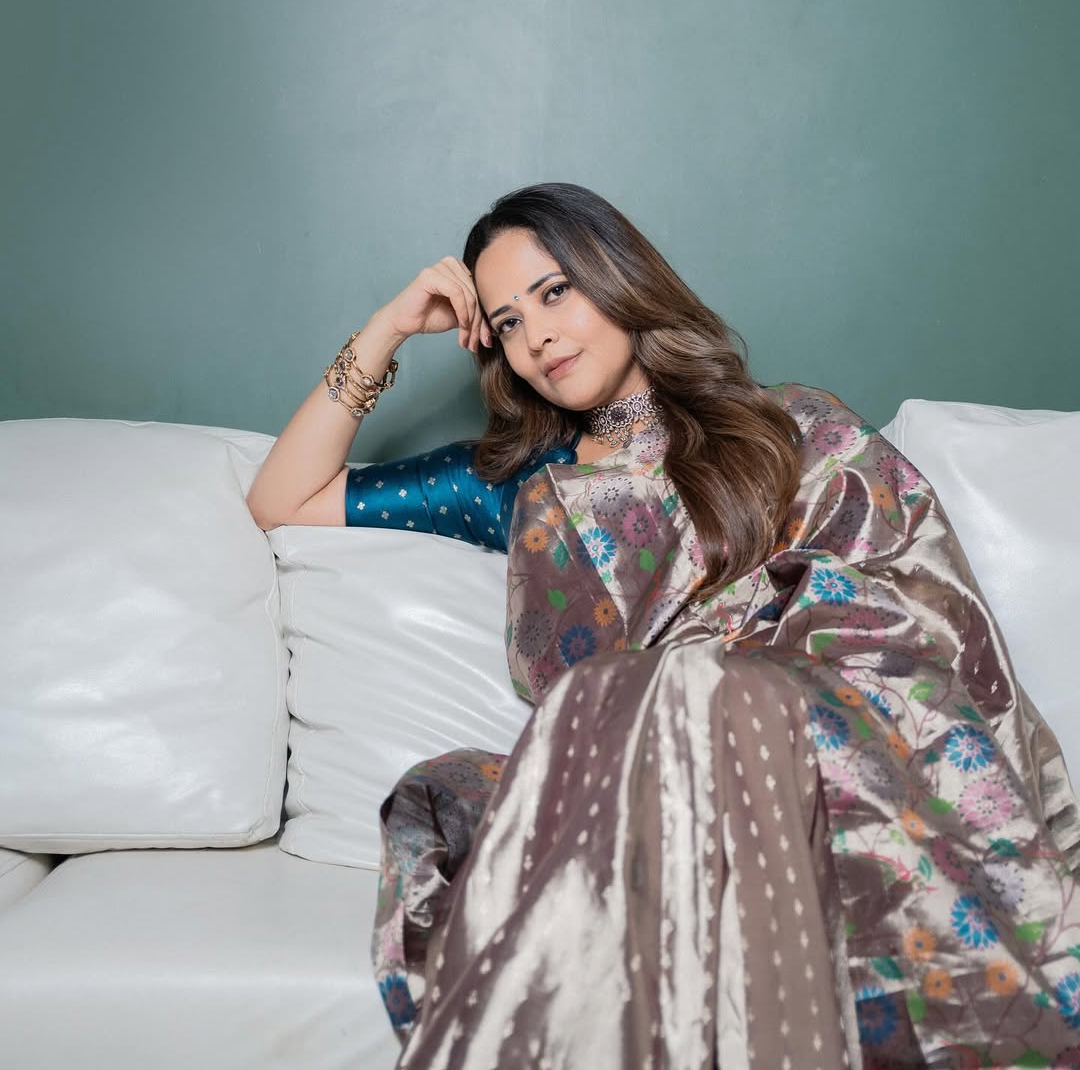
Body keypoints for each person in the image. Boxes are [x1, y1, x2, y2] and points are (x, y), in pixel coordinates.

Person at [247, 182, 1080, 1069]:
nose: (539, 338)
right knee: (602, 707)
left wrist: (739, 667)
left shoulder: (786, 427)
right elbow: (280, 500)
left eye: (555, 293)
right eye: (510, 323)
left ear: (618, 277)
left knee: (703, 690)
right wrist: (386, 330)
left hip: (802, 739)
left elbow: (911, 604)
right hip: (632, 764)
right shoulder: (517, 482)